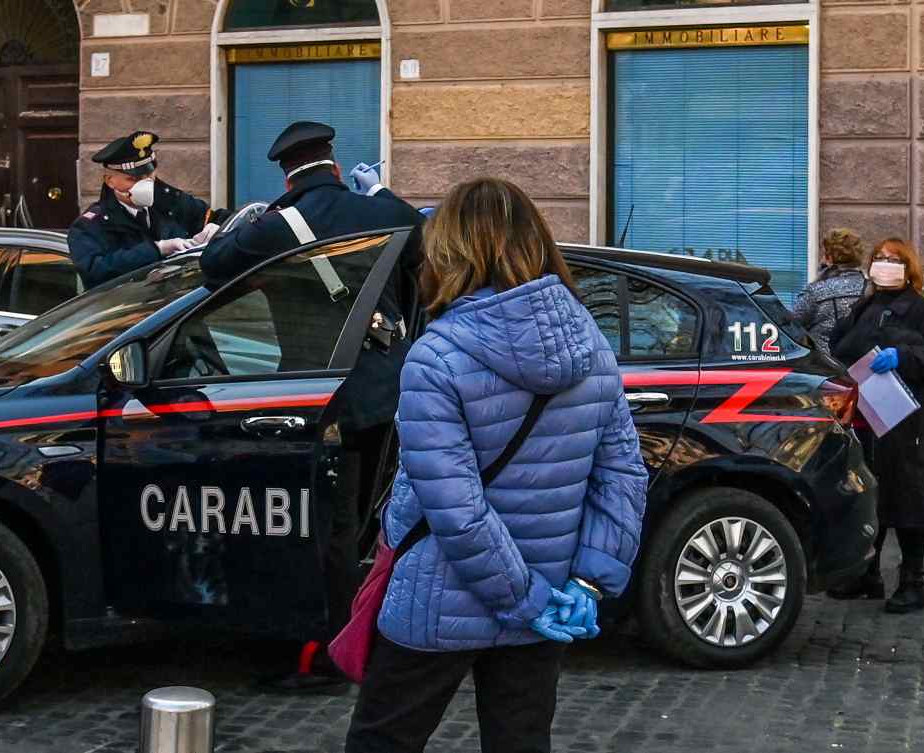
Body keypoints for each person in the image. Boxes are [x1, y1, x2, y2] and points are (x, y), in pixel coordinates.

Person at [345, 178, 649, 753]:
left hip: (441, 593)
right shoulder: (591, 343)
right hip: (550, 595)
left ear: (451, 251)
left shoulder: (436, 355)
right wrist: (585, 581)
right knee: (521, 740)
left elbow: (456, 511)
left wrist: (525, 598)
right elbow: (623, 477)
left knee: (383, 740)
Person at [201, 121, 425, 692]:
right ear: (333, 161)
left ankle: (333, 649)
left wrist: (245, 223)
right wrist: (379, 193)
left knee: (328, 530)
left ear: (286, 171)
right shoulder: (377, 213)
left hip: (319, 400)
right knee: (384, 522)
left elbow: (212, 268)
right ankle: (389, 631)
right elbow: (427, 237)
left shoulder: (277, 227)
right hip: (389, 394)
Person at [828, 238, 924, 613]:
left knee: (910, 500)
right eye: (879, 258)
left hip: (912, 424)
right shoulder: (865, 307)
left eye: (893, 259)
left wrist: (904, 356)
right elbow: (841, 345)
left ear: (909, 268)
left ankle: (912, 581)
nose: (884, 264)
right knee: (871, 497)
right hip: (869, 418)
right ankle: (868, 574)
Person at [68, 131, 222, 288]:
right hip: (129, 309)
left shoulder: (171, 201)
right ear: (110, 181)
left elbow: (219, 218)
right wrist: (157, 249)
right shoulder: (90, 226)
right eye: (133, 179)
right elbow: (95, 272)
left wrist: (216, 229)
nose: (146, 183)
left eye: (149, 175)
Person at [792, 228, 868, 356]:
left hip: (824, 365)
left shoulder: (816, 291)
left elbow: (792, 325)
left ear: (829, 258)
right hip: (862, 366)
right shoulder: (870, 288)